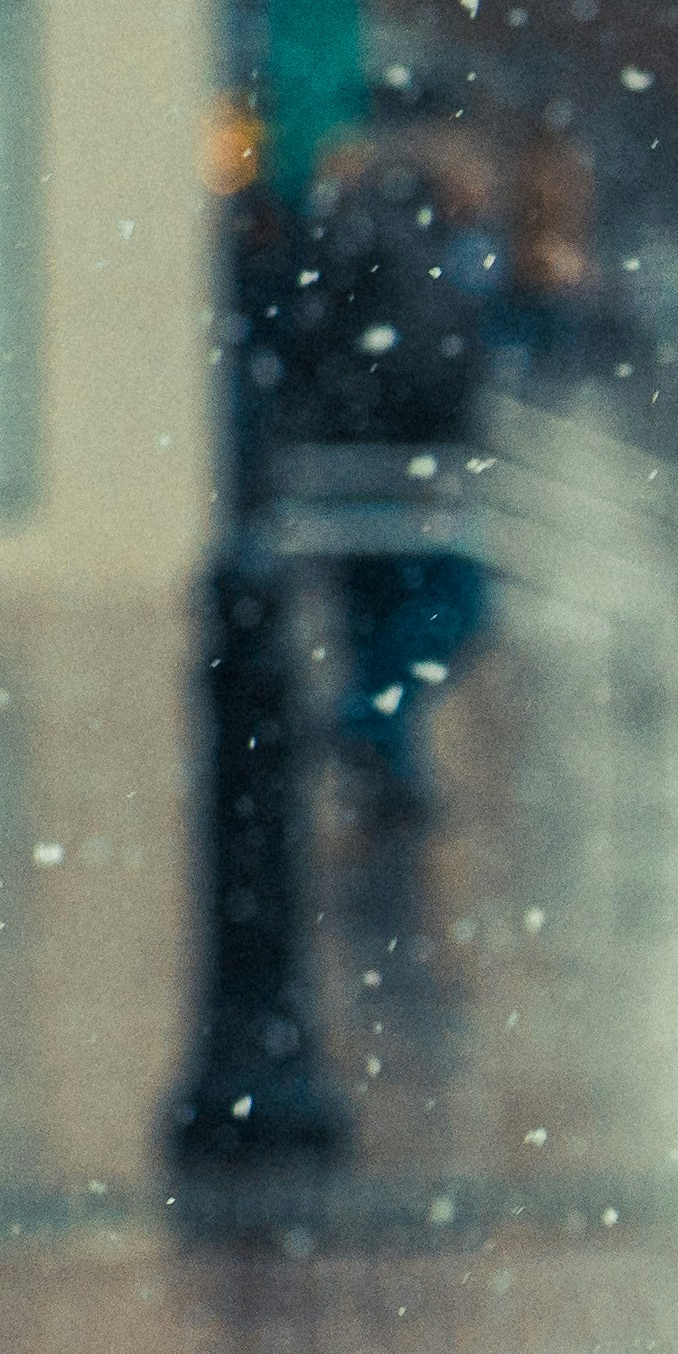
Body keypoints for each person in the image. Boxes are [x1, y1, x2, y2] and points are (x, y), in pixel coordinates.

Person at [285, 131, 505, 830]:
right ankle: (364, 723)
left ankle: (391, 770)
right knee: (452, 605)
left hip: (363, 460)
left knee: (378, 617)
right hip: (397, 469)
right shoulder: (413, 246)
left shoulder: (373, 237)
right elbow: (424, 357)